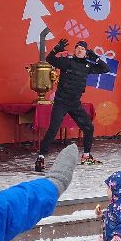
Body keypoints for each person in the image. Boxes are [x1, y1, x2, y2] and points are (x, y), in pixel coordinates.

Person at [35, 39, 108, 173]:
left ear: (86, 53)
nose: (80, 50)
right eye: (78, 48)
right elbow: (50, 59)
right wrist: (57, 49)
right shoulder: (67, 62)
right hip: (61, 102)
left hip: (75, 103)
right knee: (53, 129)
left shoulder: (87, 65)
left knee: (89, 127)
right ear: (74, 51)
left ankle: (86, 156)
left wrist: (95, 58)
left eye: (83, 49)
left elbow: (105, 69)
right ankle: (41, 157)